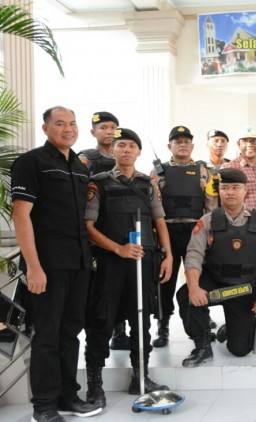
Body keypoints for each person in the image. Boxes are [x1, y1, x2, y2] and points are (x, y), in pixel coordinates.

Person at [12, 106, 102, 422]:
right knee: (47, 334)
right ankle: (44, 406)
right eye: (60, 123)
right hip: (47, 264)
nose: (68, 129)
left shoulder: (79, 166)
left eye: (72, 123)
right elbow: (21, 216)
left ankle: (67, 397)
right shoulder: (32, 162)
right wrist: (33, 266)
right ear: (45, 128)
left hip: (78, 262)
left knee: (70, 332)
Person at [84, 128, 173, 400]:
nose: (126, 150)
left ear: (138, 152)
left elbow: (159, 222)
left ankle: (140, 376)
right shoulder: (98, 183)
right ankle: (95, 384)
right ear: (112, 150)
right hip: (110, 263)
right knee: (102, 320)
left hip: (143, 262)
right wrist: (118, 249)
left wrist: (168, 256)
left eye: (131, 146)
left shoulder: (148, 184)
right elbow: (88, 227)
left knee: (141, 319)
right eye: (121, 145)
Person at [178, 168, 256, 366]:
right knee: (185, 296)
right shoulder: (207, 221)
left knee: (240, 350)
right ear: (219, 190)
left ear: (245, 190)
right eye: (225, 188)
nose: (230, 192)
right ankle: (202, 345)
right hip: (215, 280)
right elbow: (193, 256)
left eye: (235, 188)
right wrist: (194, 287)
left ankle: (231, 329)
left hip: (244, 288)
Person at [149, 125, 210, 348]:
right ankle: (162, 326)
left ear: (192, 146)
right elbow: (153, 203)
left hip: (196, 232)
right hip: (168, 232)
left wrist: (211, 233)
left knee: (199, 279)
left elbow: (210, 204)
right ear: (169, 146)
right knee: (165, 281)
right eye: (177, 142)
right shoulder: (159, 171)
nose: (182, 145)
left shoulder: (203, 170)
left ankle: (203, 324)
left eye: (186, 141)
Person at [78, 111, 130, 351]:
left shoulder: (125, 156)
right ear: (93, 132)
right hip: (94, 233)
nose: (109, 131)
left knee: (122, 286)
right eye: (103, 127)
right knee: (97, 290)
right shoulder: (85, 159)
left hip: (120, 231)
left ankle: (120, 332)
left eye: (113, 127)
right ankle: (96, 340)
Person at [221, 126, 256, 333]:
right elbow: (222, 199)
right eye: (245, 141)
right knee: (238, 276)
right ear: (239, 144)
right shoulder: (230, 168)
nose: (250, 145)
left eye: (254, 141)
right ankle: (235, 320)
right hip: (239, 231)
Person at [201, 129, 231, 212]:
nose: (220, 144)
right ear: (207, 144)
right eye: (216, 141)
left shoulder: (232, 166)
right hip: (207, 216)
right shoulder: (200, 167)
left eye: (223, 141)